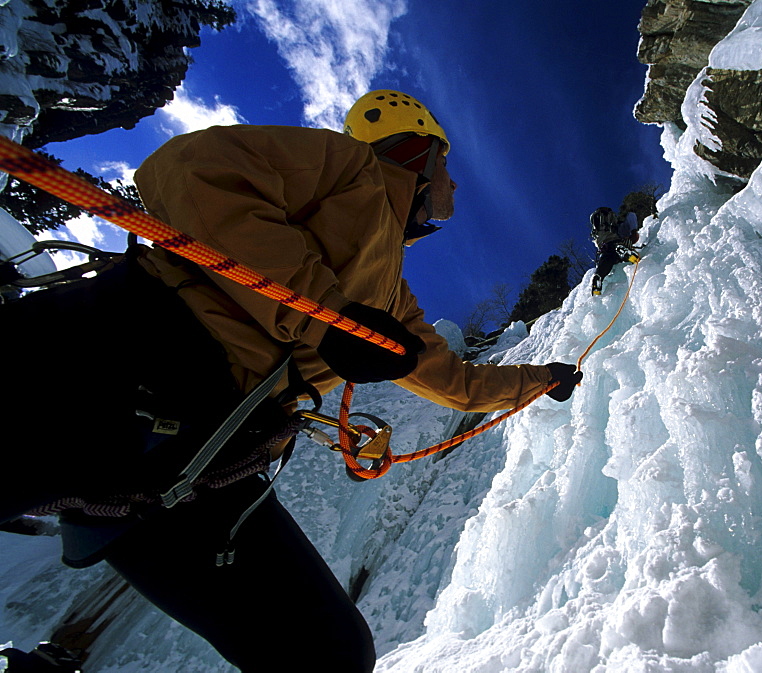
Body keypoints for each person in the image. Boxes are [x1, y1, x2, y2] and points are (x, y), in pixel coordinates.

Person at [0, 90, 583, 672]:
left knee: (330, 653)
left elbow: (455, 382)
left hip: (201, 459)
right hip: (117, 351)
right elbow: (187, 168)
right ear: (420, 153)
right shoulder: (348, 165)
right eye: (449, 167)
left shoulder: (394, 300)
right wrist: (321, 315)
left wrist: (542, 379)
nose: (456, 185)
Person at [589, 206, 640, 296]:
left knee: (607, 258)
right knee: (615, 249)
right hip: (618, 241)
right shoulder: (616, 224)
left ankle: (599, 275)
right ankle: (622, 251)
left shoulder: (597, 227)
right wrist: (633, 233)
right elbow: (631, 217)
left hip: (606, 246)